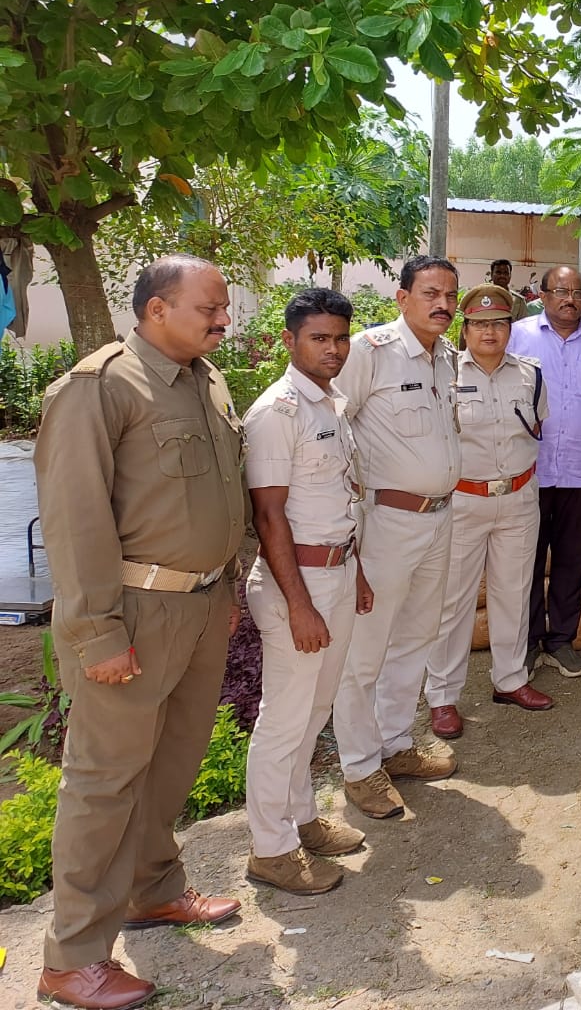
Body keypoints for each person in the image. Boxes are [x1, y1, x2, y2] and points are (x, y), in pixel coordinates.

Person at [34, 256, 248, 1010]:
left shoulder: (205, 382)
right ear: (158, 309)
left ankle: (153, 891)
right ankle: (72, 957)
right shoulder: (99, 388)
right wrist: (98, 634)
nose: (224, 321)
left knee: (171, 763)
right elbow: (74, 521)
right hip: (129, 613)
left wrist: (222, 586)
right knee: (104, 782)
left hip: (195, 609)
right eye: (210, 309)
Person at [242, 287, 371, 896]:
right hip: (299, 583)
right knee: (284, 719)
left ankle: (299, 821)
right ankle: (270, 849)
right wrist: (299, 604)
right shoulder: (278, 412)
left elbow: (340, 496)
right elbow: (269, 517)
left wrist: (358, 571)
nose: (333, 349)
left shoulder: (331, 404)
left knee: (314, 713)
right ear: (289, 341)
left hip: (337, 572)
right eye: (319, 338)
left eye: (341, 337)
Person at [333, 256, 463, 822]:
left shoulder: (444, 360)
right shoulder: (370, 351)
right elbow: (332, 424)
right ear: (401, 296)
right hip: (385, 521)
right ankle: (360, 769)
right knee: (365, 650)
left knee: (416, 636)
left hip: (439, 520)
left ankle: (395, 744)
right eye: (430, 292)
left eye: (449, 295)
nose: (443, 304)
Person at [424, 284, 554, 739]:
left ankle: (511, 679)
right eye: (479, 324)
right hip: (462, 501)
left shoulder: (531, 376)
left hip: (518, 499)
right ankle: (442, 696)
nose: (490, 332)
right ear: (465, 328)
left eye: (499, 322)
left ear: (509, 328)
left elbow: (536, 424)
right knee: (452, 602)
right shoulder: (443, 375)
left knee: (514, 593)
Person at [509, 265, 581, 678]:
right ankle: (525, 642)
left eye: (577, 292)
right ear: (541, 295)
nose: (570, 299)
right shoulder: (517, 336)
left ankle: (561, 640)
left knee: (571, 560)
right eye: (561, 291)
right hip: (528, 472)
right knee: (525, 560)